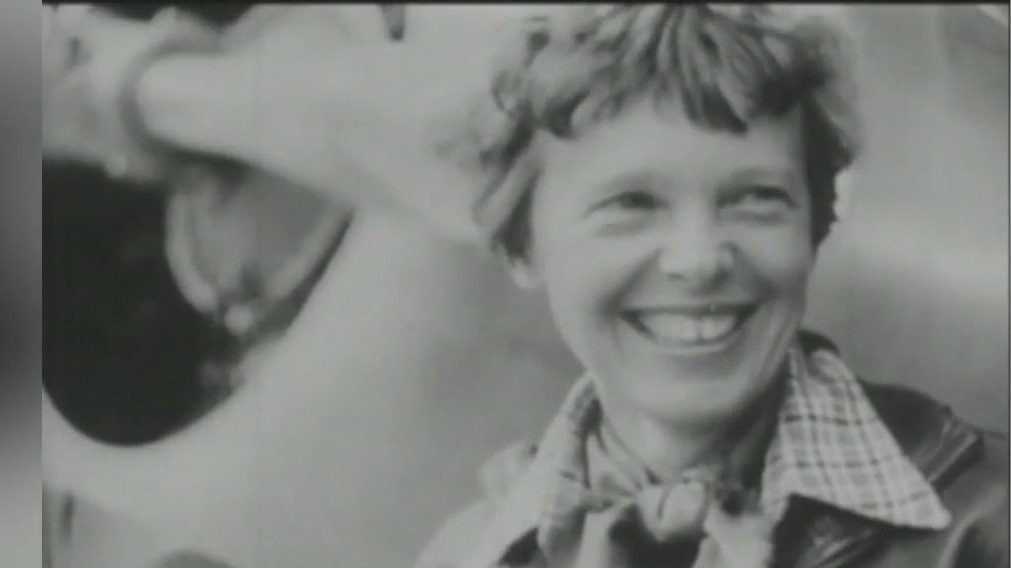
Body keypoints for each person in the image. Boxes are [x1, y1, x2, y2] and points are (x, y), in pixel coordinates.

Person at [45, 4, 1008, 568]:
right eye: (629, 207)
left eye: (754, 200)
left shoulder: (979, 516)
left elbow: (472, 124)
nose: (694, 257)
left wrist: (143, 92)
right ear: (522, 250)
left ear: (813, 220)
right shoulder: (475, 544)